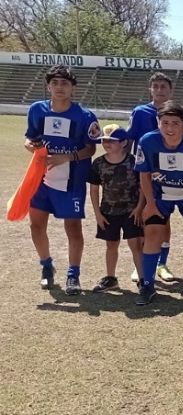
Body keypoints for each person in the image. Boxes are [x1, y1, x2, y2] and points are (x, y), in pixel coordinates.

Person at [25, 65, 100, 295]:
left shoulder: (85, 116)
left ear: (73, 89)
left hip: (72, 180)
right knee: (36, 225)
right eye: (55, 83)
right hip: (41, 178)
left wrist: (65, 157)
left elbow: (90, 150)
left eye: (65, 83)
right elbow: (30, 139)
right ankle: (47, 266)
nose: (60, 87)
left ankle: (73, 275)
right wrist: (31, 146)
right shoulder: (37, 110)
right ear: (48, 86)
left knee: (73, 228)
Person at [134, 101, 183, 305]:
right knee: (152, 235)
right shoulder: (147, 141)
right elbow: (144, 174)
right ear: (158, 123)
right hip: (160, 195)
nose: (170, 128)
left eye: (175, 123)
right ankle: (148, 285)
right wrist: (149, 203)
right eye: (165, 122)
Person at [128, 72, 175, 283]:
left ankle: (162, 263)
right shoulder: (139, 112)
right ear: (150, 89)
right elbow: (131, 142)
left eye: (163, 86)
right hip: (144, 174)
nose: (159, 90)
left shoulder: (176, 112)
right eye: (155, 86)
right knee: (143, 218)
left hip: (168, 175)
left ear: (170, 90)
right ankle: (140, 263)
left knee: (164, 219)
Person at [89, 124, 144, 293]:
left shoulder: (134, 161)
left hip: (131, 212)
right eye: (104, 141)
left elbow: (143, 186)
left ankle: (144, 280)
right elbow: (93, 189)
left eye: (112, 141)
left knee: (136, 245)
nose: (107, 144)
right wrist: (97, 214)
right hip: (108, 211)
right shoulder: (98, 163)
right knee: (111, 245)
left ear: (123, 142)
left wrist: (140, 208)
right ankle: (111, 278)